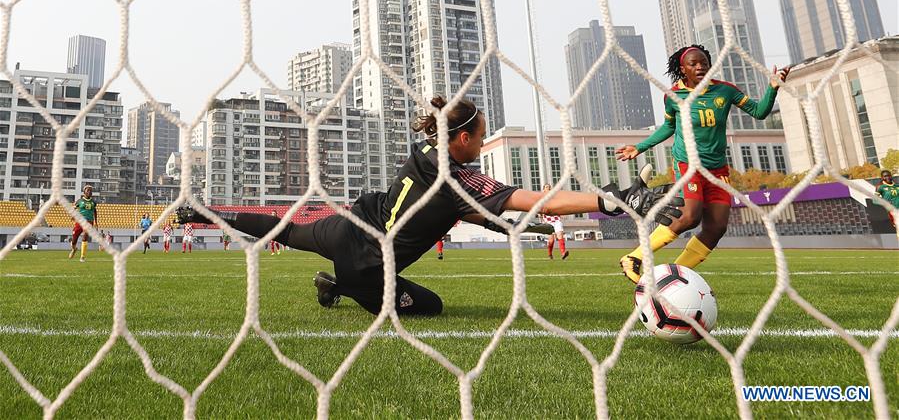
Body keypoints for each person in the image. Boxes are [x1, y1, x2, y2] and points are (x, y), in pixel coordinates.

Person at [177, 96, 682, 316]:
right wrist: (614, 200)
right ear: (460, 139)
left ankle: (200, 210)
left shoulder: (425, 154)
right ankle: (341, 287)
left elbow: (458, 209)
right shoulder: (458, 178)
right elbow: (539, 198)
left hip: (348, 224)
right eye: (480, 138)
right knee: (430, 306)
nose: (482, 146)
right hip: (371, 266)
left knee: (282, 228)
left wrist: (509, 227)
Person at [615, 44, 789, 283]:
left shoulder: (725, 91)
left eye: (704, 63)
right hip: (689, 165)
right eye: (693, 64)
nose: (700, 67)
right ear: (682, 69)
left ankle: (673, 277)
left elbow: (759, 112)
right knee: (690, 217)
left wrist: (772, 88)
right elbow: (668, 127)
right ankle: (634, 258)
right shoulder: (673, 96)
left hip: (717, 169)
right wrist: (640, 147)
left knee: (717, 227)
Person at [69, 185, 99, 262]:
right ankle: (74, 249)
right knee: (74, 239)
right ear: (84, 192)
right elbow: (73, 208)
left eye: (91, 191)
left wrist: (96, 222)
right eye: (88, 190)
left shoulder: (93, 202)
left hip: (89, 221)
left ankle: (82, 257)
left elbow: (95, 211)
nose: (90, 192)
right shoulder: (79, 201)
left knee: (85, 236)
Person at [540, 184, 568, 260]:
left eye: (549, 187)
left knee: (560, 236)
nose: (548, 188)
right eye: (546, 187)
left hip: (556, 220)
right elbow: (539, 210)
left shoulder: (554, 198)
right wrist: (541, 218)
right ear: (544, 190)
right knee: (551, 240)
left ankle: (563, 253)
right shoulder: (542, 199)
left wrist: (562, 214)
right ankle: (550, 254)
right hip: (548, 221)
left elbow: (558, 208)